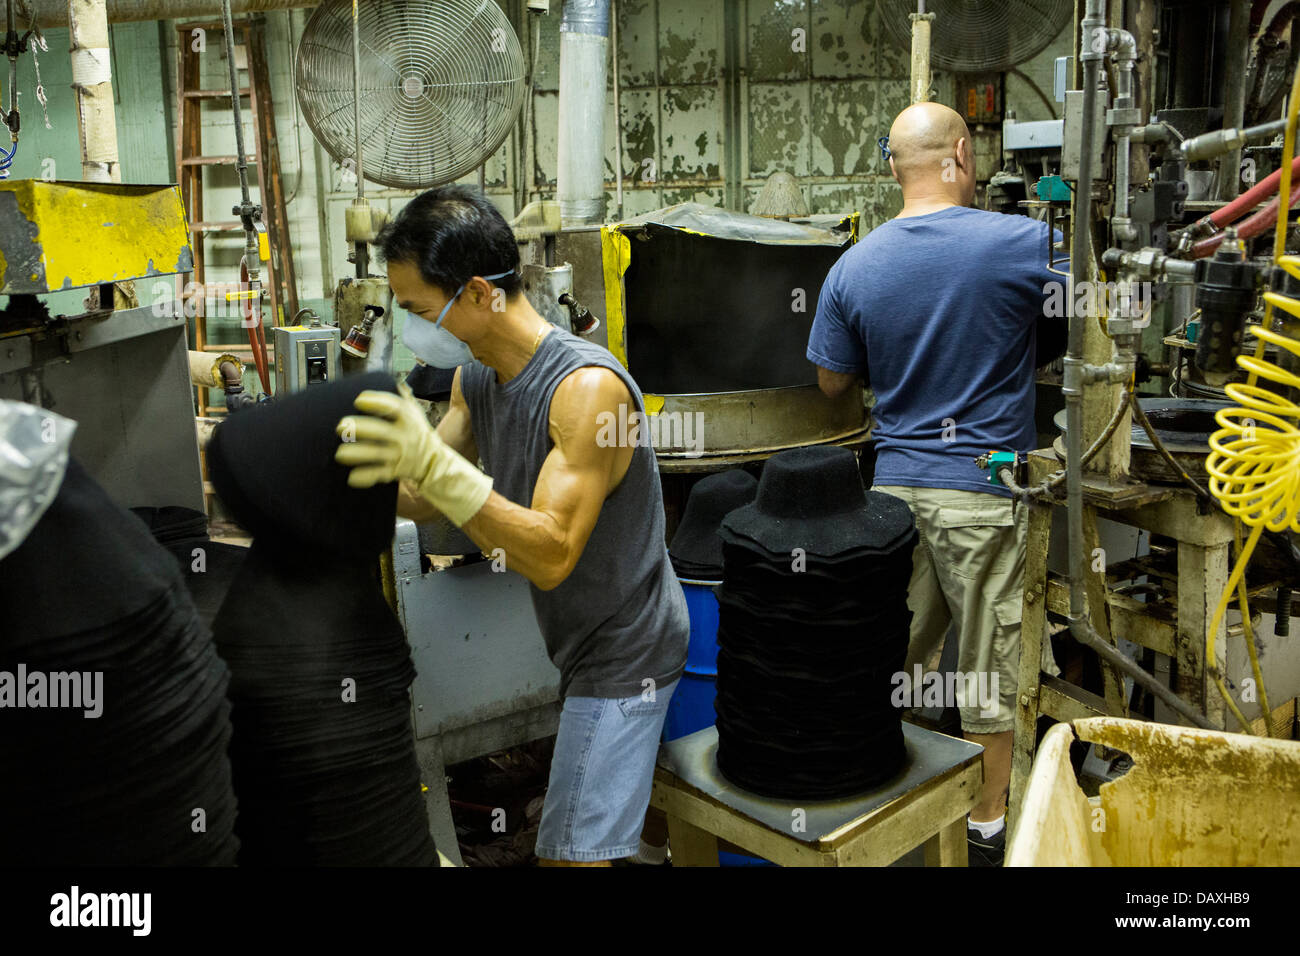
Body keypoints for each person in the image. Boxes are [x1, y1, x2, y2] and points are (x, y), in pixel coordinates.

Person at [334, 185, 689, 867]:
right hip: (580, 637)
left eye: (415, 309)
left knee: (568, 855)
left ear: (473, 295)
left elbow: (552, 553)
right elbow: (427, 497)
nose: (410, 326)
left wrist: (437, 472)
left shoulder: (585, 392)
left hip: (628, 648)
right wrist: (368, 467)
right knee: (636, 822)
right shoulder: (476, 376)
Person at [806, 102, 1063, 866]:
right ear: (961, 154)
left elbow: (830, 382)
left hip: (891, 497)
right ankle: (986, 825)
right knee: (987, 664)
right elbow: (1084, 324)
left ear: (893, 167)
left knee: (899, 661)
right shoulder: (1021, 241)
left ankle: (897, 809)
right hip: (982, 493)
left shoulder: (854, 264)